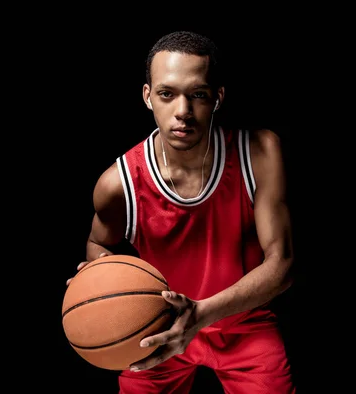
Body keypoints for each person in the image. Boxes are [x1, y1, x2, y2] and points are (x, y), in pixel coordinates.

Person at [66, 30, 296, 393]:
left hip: (244, 325)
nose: (183, 112)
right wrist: (98, 278)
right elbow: (98, 242)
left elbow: (282, 263)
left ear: (217, 98)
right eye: (167, 94)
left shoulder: (260, 152)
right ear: (147, 97)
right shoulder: (118, 183)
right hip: (159, 328)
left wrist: (201, 314)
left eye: (198, 95)